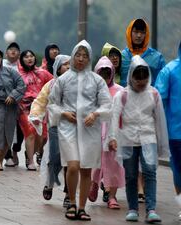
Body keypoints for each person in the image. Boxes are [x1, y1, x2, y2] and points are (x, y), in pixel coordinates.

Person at [48, 40, 112, 221]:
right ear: (73, 56)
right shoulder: (63, 79)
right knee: (73, 165)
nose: (81, 59)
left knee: (86, 170)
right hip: (68, 128)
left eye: (85, 56)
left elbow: (107, 104)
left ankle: (82, 208)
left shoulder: (97, 80)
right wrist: (64, 113)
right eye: (78, 55)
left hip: (90, 129)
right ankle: (71, 202)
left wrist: (96, 114)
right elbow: (52, 104)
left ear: (89, 58)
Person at [109, 55, 169, 223]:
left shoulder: (154, 94)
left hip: (148, 137)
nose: (141, 82)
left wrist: (160, 141)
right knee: (130, 174)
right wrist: (113, 137)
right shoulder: (122, 95)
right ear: (131, 77)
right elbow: (114, 116)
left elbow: (159, 119)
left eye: (144, 78)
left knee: (150, 172)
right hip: (128, 138)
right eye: (137, 78)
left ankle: (151, 209)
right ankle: (133, 209)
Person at [30, 54, 70, 206]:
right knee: (54, 158)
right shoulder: (51, 85)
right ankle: (50, 183)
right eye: (65, 64)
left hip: (73, 126)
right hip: (55, 127)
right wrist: (35, 115)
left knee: (70, 161)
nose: (68, 67)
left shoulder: (78, 84)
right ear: (58, 67)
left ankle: (69, 193)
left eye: (70, 64)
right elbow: (40, 102)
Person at [88, 56, 125, 210]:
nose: (104, 76)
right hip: (96, 133)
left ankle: (112, 196)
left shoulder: (120, 91)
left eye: (107, 72)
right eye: (101, 72)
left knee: (114, 165)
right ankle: (94, 184)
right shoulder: (91, 90)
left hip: (115, 133)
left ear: (112, 73)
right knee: (95, 164)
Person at [154, 41, 181, 220]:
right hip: (175, 133)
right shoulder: (170, 70)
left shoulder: (169, 70)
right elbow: (158, 100)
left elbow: (158, 99)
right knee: (179, 171)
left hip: (174, 132)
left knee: (179, 171)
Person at [17, 50, 53, 170]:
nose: (29, 59)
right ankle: (31, 161)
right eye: (26, 57)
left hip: (40, 108)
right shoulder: (17, 74)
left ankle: (31, 153)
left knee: (41, 136)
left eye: (31, 56)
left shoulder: (43, 73)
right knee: (30, 132)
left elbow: (54, 84)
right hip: (24, 108)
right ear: (22, 60)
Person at [120, 18, 165, 87]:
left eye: (142, 32)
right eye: (136, 31)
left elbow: (162, 83)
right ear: (129, 32)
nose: (139, 35)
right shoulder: (121, 56)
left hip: (149, 97)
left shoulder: (157, 57)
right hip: (125, 97)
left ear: (146, 35)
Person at [2, 42, 23, 167]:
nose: (13, 51)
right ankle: (7, 155)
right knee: (6, 129)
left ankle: (16, 151)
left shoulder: (22, 67)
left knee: (19, 131)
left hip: (20, 104)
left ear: (19, 53)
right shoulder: (1, 65)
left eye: (16, 50)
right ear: (6, 53)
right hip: (5, 103)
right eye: (11, 49)